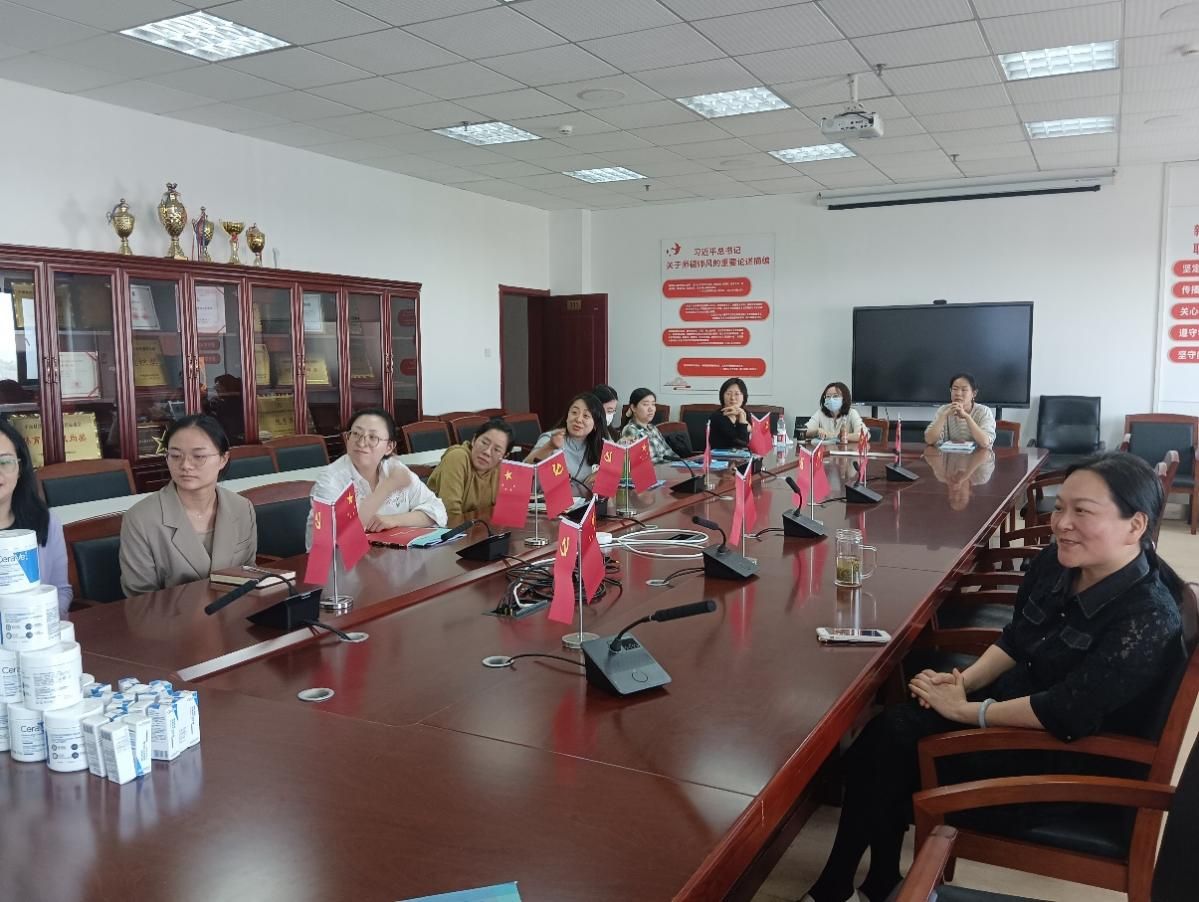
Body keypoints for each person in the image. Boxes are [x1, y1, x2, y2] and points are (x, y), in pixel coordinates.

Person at [802, 451, 1184, 902]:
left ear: (1135, 525)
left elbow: (1066, 712)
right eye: (1060, 507)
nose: (1061, 523)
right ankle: (874, 882)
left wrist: (969, 712)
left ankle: (850, 885)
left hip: (1059, 764)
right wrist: (963, 682)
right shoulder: (1058, 563)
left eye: (1082, 512)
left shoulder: (1147, 616)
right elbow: (1018, 638)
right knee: (889, 734)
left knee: (887, 748)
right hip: (1014, 715)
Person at [120, 415, 257, 597]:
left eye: (198, 456)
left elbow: (248, 575)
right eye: (175, 456)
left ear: (223, 459)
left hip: (235, 611)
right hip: (171, 615)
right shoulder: (140, 519)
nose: (185, 465)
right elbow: (140, 599)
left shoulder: (242, 508)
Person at [306, 408, 446, 547]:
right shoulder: (330, 481)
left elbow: (438, 511)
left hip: (391, 556)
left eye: (373, 437)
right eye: (356, 434)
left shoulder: (395, 469)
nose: (361, 443)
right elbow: (329, 539)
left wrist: (394, 520)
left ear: (389, 447)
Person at [0, 418, 71, 616]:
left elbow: (61, 590)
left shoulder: (45, 521)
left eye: (5, 462)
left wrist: (44, 623)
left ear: (20, 468)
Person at [427, 417, 514, 525]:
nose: (487, 452)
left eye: (496, 450)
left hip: (477, 529)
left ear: (505, 455)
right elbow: (450, 511)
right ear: (474, 440)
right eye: (484, 442)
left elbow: (507, 509)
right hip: (441, 528)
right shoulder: (457, 457)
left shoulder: (501, 470)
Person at [525, 392, 605, 490]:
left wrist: (601, 473)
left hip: (583, 500)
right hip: (544, 499)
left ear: (595, 425)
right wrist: (549, 446)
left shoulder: (596, 444)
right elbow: (524, 472)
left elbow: (615, 465)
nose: (578, 419)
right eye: (574, 412)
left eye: (586, 416)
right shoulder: (551, 439)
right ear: (567, 416)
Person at [924, 372, 996, 449]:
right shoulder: (944, 410)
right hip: (949, 455)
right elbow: (929, 440)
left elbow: (985, 442)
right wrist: (944, 416)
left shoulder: (984, 411)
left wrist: (967, 417)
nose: (958, 393)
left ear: (974, 393)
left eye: (964, 390)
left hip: (978, 455)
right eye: (955, 389)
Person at [619, 388, 672, 463]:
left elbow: (669, 453)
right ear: (633, 408)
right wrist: (663, 460)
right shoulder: (630, 431)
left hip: (667, 468)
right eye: (646, 404)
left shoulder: (653, 428)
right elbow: (635, 463)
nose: (651, 409)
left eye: (653, 404)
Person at [708, 377, 750, 450]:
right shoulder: (717, 416)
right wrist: (743, 422)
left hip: (742, 455)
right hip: (720, 456)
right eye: (728, 394)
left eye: (737, 394)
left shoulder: (745, 413)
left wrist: (742, 418)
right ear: (722, 396)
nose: (732, 398)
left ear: (744, 397)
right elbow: (741, 443)